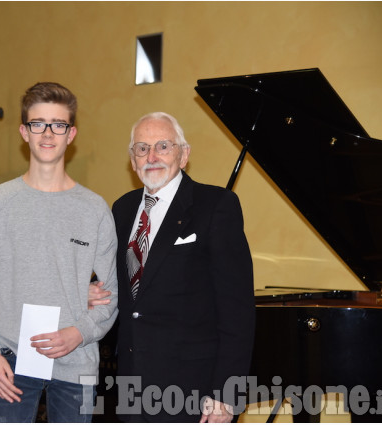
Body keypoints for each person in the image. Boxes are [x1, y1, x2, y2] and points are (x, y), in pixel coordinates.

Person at [0, 82, 118, 422]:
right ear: (24, 131)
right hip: (10, 362)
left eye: (58, 125)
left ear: (71, 133)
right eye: (38, 124)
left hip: (77, 362)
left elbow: (111, 297)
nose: (48, 134)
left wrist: (77, 332)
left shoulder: (94, 209)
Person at [90, 112, 255, 422]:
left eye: (163, 146)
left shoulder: (216, 205)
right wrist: (93, 292)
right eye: (142, 148)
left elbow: (238, 313)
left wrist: (226, 395)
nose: (151, 156)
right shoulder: (122, 209)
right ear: (132, 159)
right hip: (131, 385)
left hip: (194, 388)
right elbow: (126, 289)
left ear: (184, 154)